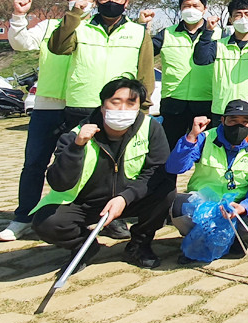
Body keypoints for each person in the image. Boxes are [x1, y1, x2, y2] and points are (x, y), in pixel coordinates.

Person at [31, 78, 173, 271]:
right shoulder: (75, 134)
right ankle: (84, 246)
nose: (122, 109)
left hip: (130, 199)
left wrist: (125, 197)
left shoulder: (151, 128)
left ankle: (139, 245)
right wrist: (76, 147)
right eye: (115, 102)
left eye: (131, 103)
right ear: (103, 106)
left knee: (166, 190)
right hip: (86, 203)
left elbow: (156, 171)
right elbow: (59, 183)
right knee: (46, 222)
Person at [1, 0, 95, 242]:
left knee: (85, 165)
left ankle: (85, 217)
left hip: (83, 105)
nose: (80, 1)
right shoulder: (49, 26)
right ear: (67, 1)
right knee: (34, 163)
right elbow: (21, 43)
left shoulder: (97, 29)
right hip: (47, 106)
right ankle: (23, 217)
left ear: (95, 1)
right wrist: (18, 16)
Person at [166, 99, 248, 262]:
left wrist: (244, 207)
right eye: (233, 120)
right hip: (202, 203)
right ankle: (204, 239)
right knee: (178, 207)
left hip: (235, 205)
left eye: (245, 121)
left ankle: (232, 238)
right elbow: (175, 167)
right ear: (222, 120)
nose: (239, 126)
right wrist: (191, 137)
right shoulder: (204, 138)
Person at [48, 0, 155, 130]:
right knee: (79, 145)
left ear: (126, 2)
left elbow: (146, 73)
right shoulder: (79, 27)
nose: (111, 2)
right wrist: (74, 15)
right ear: (96, 2)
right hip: (82, 104)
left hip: (121, 105)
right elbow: (57, 47)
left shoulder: (138, 32)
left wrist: (143, 107)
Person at [149, 0, 222, 146]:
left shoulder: (218, 34)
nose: (191, 9)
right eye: (186, 6)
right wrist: (144, 26)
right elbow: (144, 53)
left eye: (196, 6)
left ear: (205, 9)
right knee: (169, 148)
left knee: (205, 148)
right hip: (173, 101)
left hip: (206, 100)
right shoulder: (167, 33)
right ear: (180, 9)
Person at [193, 0, 248, 134]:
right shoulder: (219, 45)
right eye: (238, 14)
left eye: (247, 14)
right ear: (230, 19)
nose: (243, 18)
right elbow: (200, 59)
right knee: (218, 147)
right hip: (222, 111)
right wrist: (208, 31)